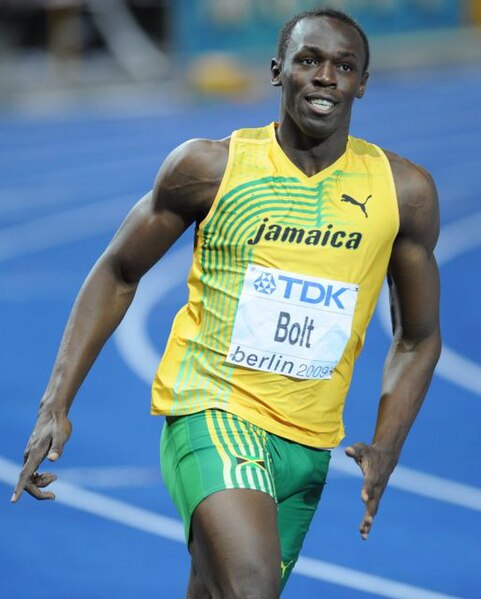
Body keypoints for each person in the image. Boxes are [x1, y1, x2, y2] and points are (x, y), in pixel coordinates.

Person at [11, 8, 441, 599]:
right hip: (214, 412)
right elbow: (117, 270)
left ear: (362, 83)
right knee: (250, 588)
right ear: (277, 71)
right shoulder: (211, 168)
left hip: (310, 442)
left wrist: (389, 442)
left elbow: (418, 335)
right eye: (309, 61)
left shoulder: (403, 192)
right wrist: (54, 401)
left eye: (344, 66)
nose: (325, 77)